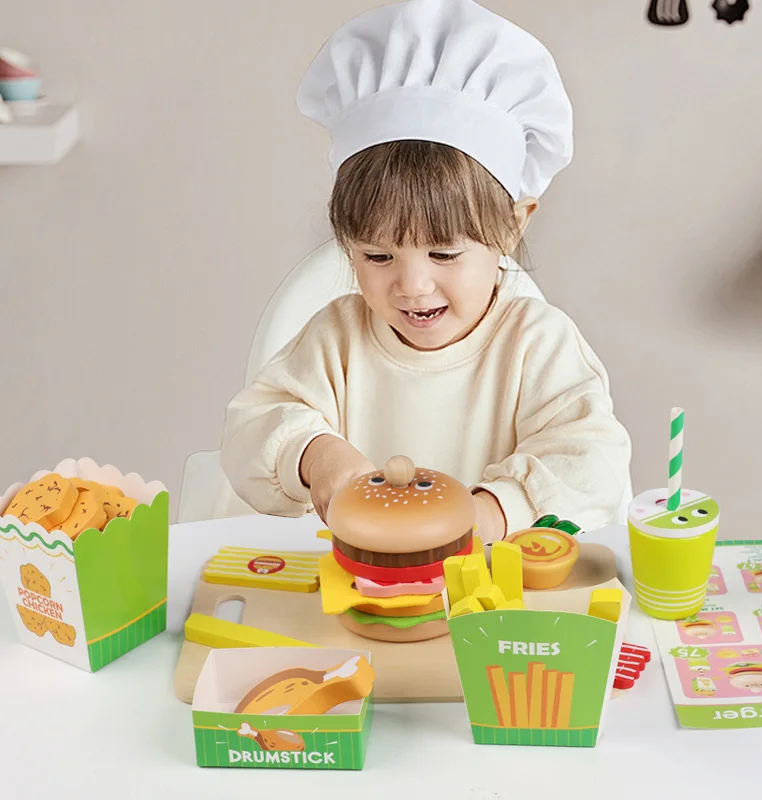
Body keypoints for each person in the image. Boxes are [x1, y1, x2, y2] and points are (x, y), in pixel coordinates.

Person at [221, 0, 632, 543]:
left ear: (512, 226)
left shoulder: (535, 343)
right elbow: (251, 430)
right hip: (360, 593)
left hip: (498, 600)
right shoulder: (336, 341)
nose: (411, 286)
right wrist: (317, 457)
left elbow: (591, 458)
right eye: (377, 256)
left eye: (443, 255)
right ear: (347, 245)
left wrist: (491, 512)